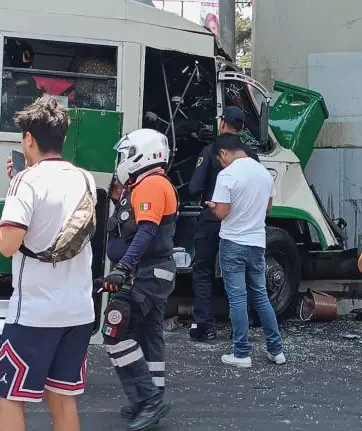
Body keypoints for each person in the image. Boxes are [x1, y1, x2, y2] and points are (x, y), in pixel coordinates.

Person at [0, 95, 96, 431]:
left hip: (35, 313)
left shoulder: (28, 181)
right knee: (62, 398)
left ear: (28, 139)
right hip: (79, 312)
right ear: (62, 138)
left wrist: (16, 189)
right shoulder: (85, 179)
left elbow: (8, 246)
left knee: (11, 397)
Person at [96, 129, 177, 430]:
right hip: (150, 272)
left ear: (142, 153)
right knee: (148, 335)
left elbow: (146, 231)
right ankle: (151, 396)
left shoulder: (152, 184)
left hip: (146, 273)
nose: (122, 161)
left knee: (115, 330)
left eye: (125, 154)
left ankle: (148, 399)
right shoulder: (145, 184)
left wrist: (123, 267)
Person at [207, 136, 286, 368]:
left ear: (223, 153)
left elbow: (222, 213)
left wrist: (213, 207)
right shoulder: (263, 172)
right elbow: (268, 208)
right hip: (257, 243)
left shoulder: (227, 175)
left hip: (233, 243)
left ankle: (241, 353)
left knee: (238, 299)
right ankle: (276, 350)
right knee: (261, 296)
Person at [187, 106, 259, 341]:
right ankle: (241, 324)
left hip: (211, 218)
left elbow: (194, 188)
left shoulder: (210, 151)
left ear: (222, 124)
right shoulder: (251, 155)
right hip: (240, 221)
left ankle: (204, 325)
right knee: (239, 273)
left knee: (203, 270)